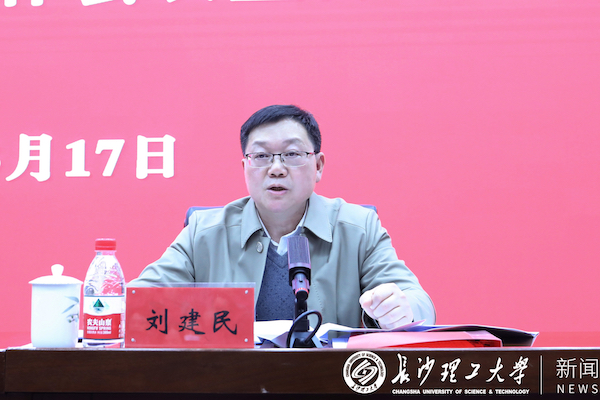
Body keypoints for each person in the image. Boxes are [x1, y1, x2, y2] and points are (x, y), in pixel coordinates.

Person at [132, 105, 435, 329]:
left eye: (292, 154)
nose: (276, 168)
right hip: (230, 383)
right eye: (261, 156)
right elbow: (138, 302)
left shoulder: (358, 228)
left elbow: (420, 304)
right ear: (245, 168)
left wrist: (401, 309)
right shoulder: (205, 232)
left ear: (318, 165)